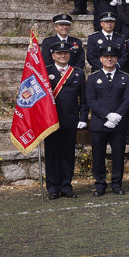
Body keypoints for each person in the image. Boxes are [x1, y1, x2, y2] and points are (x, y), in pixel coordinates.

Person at [84, 45, 129, 196]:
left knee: (118, 155)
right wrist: (107, 115)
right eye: (106, 57)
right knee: (98, 156)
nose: (109, 59)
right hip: (99, 123)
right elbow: (91, 100)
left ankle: (117, 184)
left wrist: (117, 116)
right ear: (101, 59)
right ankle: (100, 184)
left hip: (119, 123)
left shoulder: (125, 77)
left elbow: (128, 99)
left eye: (112, 57)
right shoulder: (93, 78)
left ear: (116, 59)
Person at [44, 43, 87, 199]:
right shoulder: (45, 72)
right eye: (59, 53)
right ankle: (53, 188)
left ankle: (66, 186)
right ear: (53, 55)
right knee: (51, 154)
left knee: (68, 154)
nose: (63, 56)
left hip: (70, 120)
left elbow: (83, 99)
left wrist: (83, 118)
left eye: (65, 53)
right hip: (50, 121)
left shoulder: (78, 73)